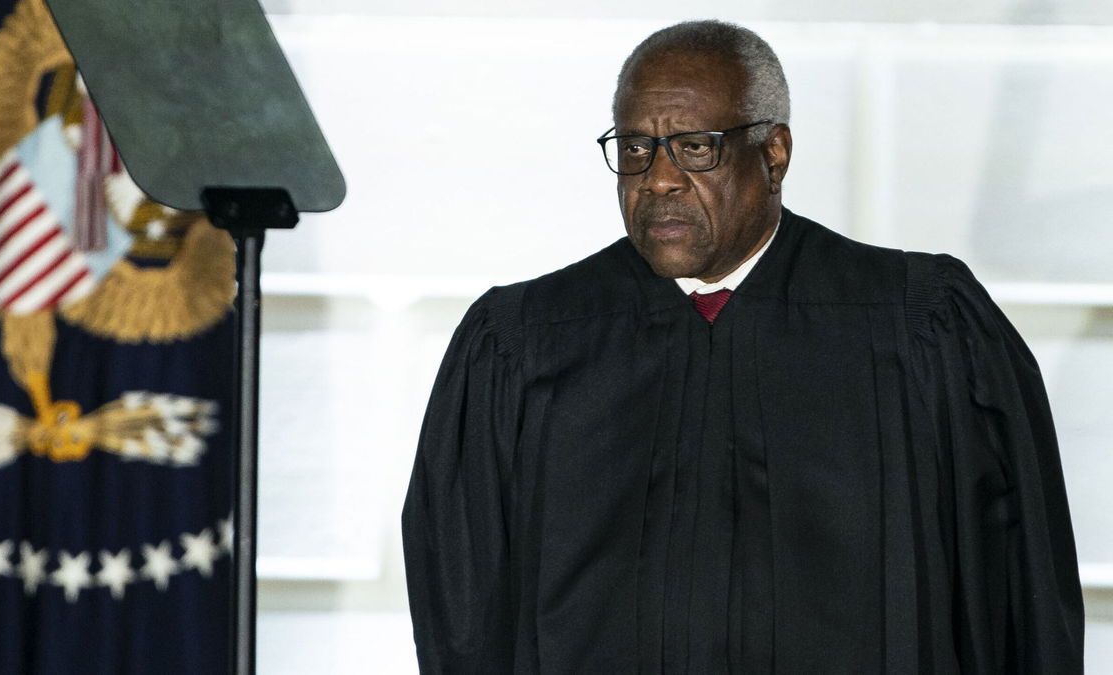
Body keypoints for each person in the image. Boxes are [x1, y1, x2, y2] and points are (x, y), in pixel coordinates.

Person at [402, 20, 1084, 673]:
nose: (658, 179)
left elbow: (1020, 588)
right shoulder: (523, 343)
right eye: (635, 149)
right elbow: (462, 617)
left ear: (774, 153)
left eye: (694, 147)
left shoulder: (920, 327)